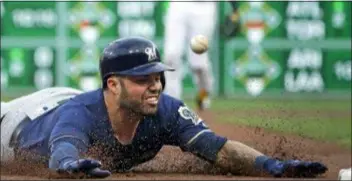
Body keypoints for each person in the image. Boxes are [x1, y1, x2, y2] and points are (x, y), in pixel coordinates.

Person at [1, 37, 327, 178]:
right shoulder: (79, 113)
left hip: (67, 99)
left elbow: (220, 149)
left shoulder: (165, 110)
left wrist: (273, 166)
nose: (155, 85)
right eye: (143, 79)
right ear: (113, 84)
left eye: (157, 77)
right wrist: (70, 166)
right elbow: (64, 151)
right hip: (16, 122)